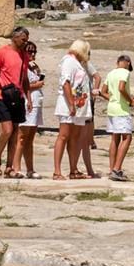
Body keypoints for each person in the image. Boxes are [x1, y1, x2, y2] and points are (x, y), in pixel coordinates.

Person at [0, 26, 29, 178]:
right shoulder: (2, 52)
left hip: (17, 97)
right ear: (15, 37)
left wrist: (28, 98)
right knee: (7, 131)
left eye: (27, 40)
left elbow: (25, 79)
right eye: (23, 39)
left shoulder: (25, 55)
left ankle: (9, 166)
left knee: (16, 133)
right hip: (2, 95)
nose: (25, 42)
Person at [52, 39, 94, 180]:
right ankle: (57, 171)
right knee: (63, 136)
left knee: (75, 138)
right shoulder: (68, 61)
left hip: (79, 106)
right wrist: (71, 104)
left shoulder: (78, 63)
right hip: (68, 105)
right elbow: (66, 82)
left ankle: (73, 169)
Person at [102, 55, 134, 181]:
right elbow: (121, 88)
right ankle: (117, 169)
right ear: (128, 63)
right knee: (127, 137)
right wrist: (130, 100)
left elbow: (103, 91)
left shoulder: (111, 73)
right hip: (121, 110)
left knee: (114, 138)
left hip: (111, 109)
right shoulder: (125, 72)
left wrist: (112, 98)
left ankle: (112, 169)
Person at [16, 41, 44, 178]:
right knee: (21, 137)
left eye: (34, 51)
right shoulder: (21, 66)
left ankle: (30, 169)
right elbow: (21, 85)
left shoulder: (33, 66)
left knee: (30, 138)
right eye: (29, 51)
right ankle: (16, 168)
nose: (32, 54)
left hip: (37, 103)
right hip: (27, 102)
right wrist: (37, 85)